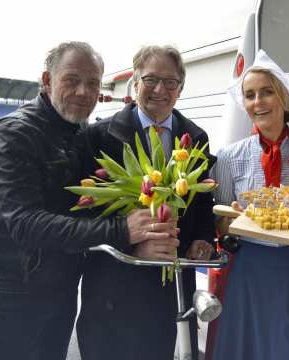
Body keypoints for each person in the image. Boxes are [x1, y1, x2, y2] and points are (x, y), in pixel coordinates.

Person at [0, 41, 178, 360]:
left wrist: (145, 232)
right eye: (72, 80)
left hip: (61, 283)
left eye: (93, 83)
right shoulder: (14, 134)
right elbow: (26, 224)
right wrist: (122, 231)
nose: (83, 91)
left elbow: (90, 208)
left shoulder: (79, 133)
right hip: (14, 288)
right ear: (47, 80)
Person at [76, 45, 216, 360]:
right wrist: (132, 245)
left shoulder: (195, 138)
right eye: (150, 79)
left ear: (180, 88)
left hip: (170, 291)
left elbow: (203, 204)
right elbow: (85, 217)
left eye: (170, 82)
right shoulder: (98, 137)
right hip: (113, 290)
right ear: (135, 82)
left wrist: (201, 239)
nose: (160, 90)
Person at [208, 50, 289, 360]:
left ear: (284, 97)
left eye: (266, 92)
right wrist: (230, 217)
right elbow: (219, 223)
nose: (257, 101)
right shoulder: (228, 156)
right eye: (250, 95)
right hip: (247, 270)